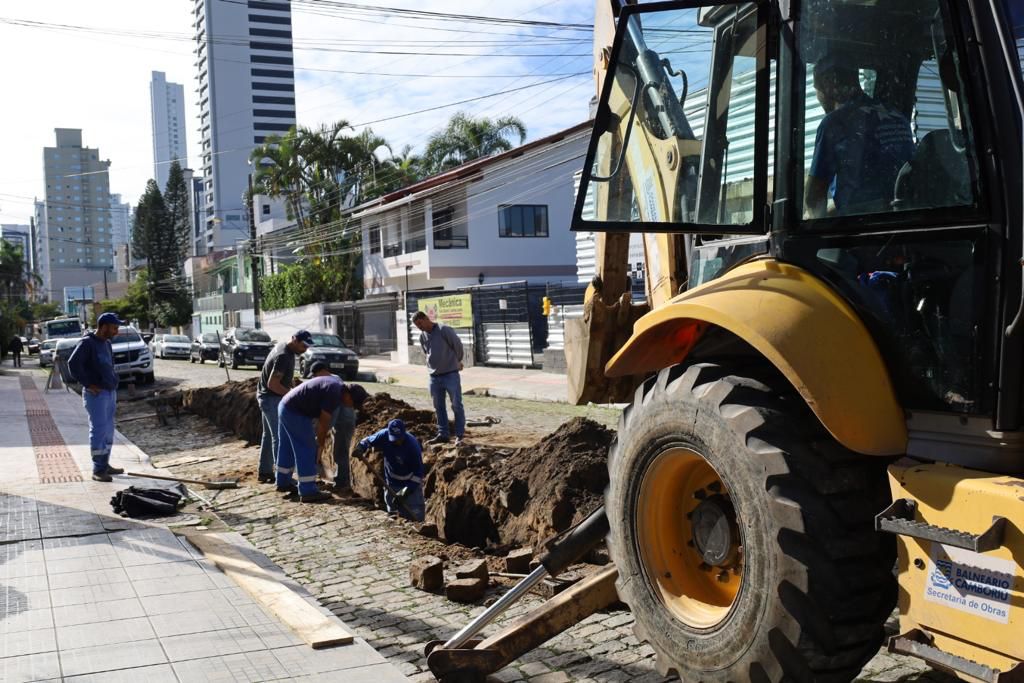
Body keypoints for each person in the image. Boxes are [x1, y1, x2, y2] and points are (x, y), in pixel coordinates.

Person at [806, 55, 915, 219]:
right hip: (902, 217)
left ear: (830, 83)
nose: (818, 96)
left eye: (817, 89)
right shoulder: (897, 116)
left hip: (863, 231)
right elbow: (874, 198)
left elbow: (814, 199)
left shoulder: (834, 123)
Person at [275, 361, 360, 503]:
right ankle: (308, 490)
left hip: (285, 406)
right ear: (349, 396)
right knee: (306, 448)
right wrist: (319, 443)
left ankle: (282, 481)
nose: (350, 407)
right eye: (352, 404)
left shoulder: (335, 385)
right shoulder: (334, 393)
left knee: (287, 445)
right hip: (295, 412)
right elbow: (323, 423)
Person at [67, 312, 125, 482]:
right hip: (96, 394)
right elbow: (73, 364)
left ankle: (105, 464)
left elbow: (109, 365)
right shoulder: (87, 343)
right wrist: (88, 383)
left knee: (108, 431)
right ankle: (98, 470)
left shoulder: (106, 343)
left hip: (109, 392)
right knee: (99, 431)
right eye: (114, 328)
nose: (116, 331)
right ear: (104, 326)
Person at [256, 330, 314, 483]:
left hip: (266, 396)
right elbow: (273, 384)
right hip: (271, 398)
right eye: (303, 345)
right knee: (279, 437)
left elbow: (282, 379)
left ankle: (264, 472)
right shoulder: (283, 355)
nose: (305, 349)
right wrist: (291, 395)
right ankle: (282, 477)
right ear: (294, 339)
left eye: (308, 346)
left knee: (268, 436)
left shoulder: (286, 349)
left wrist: (293, 387)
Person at [353, 418, 425, 521]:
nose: (397, 441)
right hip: (391, 482)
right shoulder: (384, 435)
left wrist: (407, 490)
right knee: (394, 518)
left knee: (416, 517)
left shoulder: (413, 446)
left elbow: (418, 473)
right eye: (394, 439)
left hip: (410, 484)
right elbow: (367, 440)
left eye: (399, 438)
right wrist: (360, 448)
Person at [411, 311, 465, 446]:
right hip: (434, 378)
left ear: (426, 318)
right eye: (416, 325)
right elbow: (426, 352)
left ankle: (459, 435)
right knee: (438, 406)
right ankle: (443, 434)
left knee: (456, 404)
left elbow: (457, 346)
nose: (419, 327)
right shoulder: (422, 336)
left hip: (450, 375)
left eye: (419, 323)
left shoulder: (444, 330)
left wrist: (457, 361)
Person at [330, 383, 369, 494]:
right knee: (340, 448)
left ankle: (342, 482)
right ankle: (341, 481)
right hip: (343, 414)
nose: (352, 406)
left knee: (341, 449)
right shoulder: (335, 392)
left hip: (344, 419)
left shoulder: (344, 399)